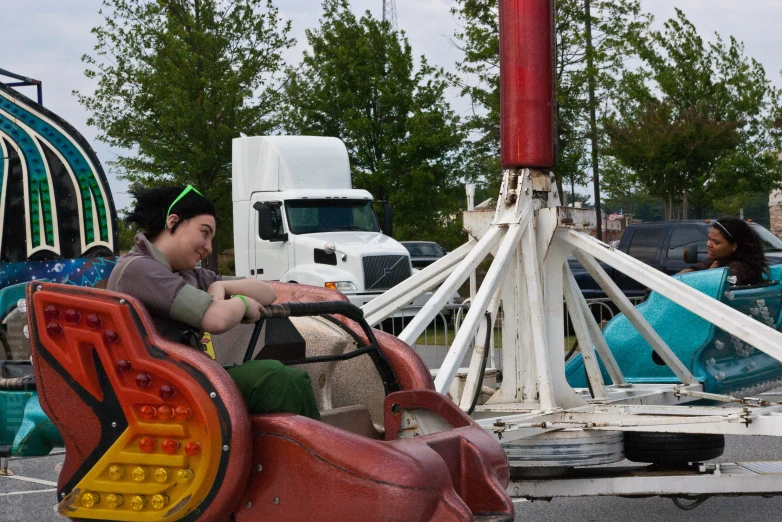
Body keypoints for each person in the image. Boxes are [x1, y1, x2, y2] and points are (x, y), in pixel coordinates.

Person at [107, 185, 320, 419]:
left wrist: (223, 286)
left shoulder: (185, 273)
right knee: (274, 378)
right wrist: (241, 302)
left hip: (185, 380)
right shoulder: (139, 269)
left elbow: (268, 293)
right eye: (204, 232)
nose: (208, 247)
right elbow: (216, 320)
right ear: (173, 221)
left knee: (289, 378)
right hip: (162, 389)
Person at [678, 218, 769, 286]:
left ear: (733, 246)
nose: (709, 244)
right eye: (709, 239)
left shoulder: (738, 269)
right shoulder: (719, 260)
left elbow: (709, 288)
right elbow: (697, 268)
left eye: (716, 242)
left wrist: (710, 273)